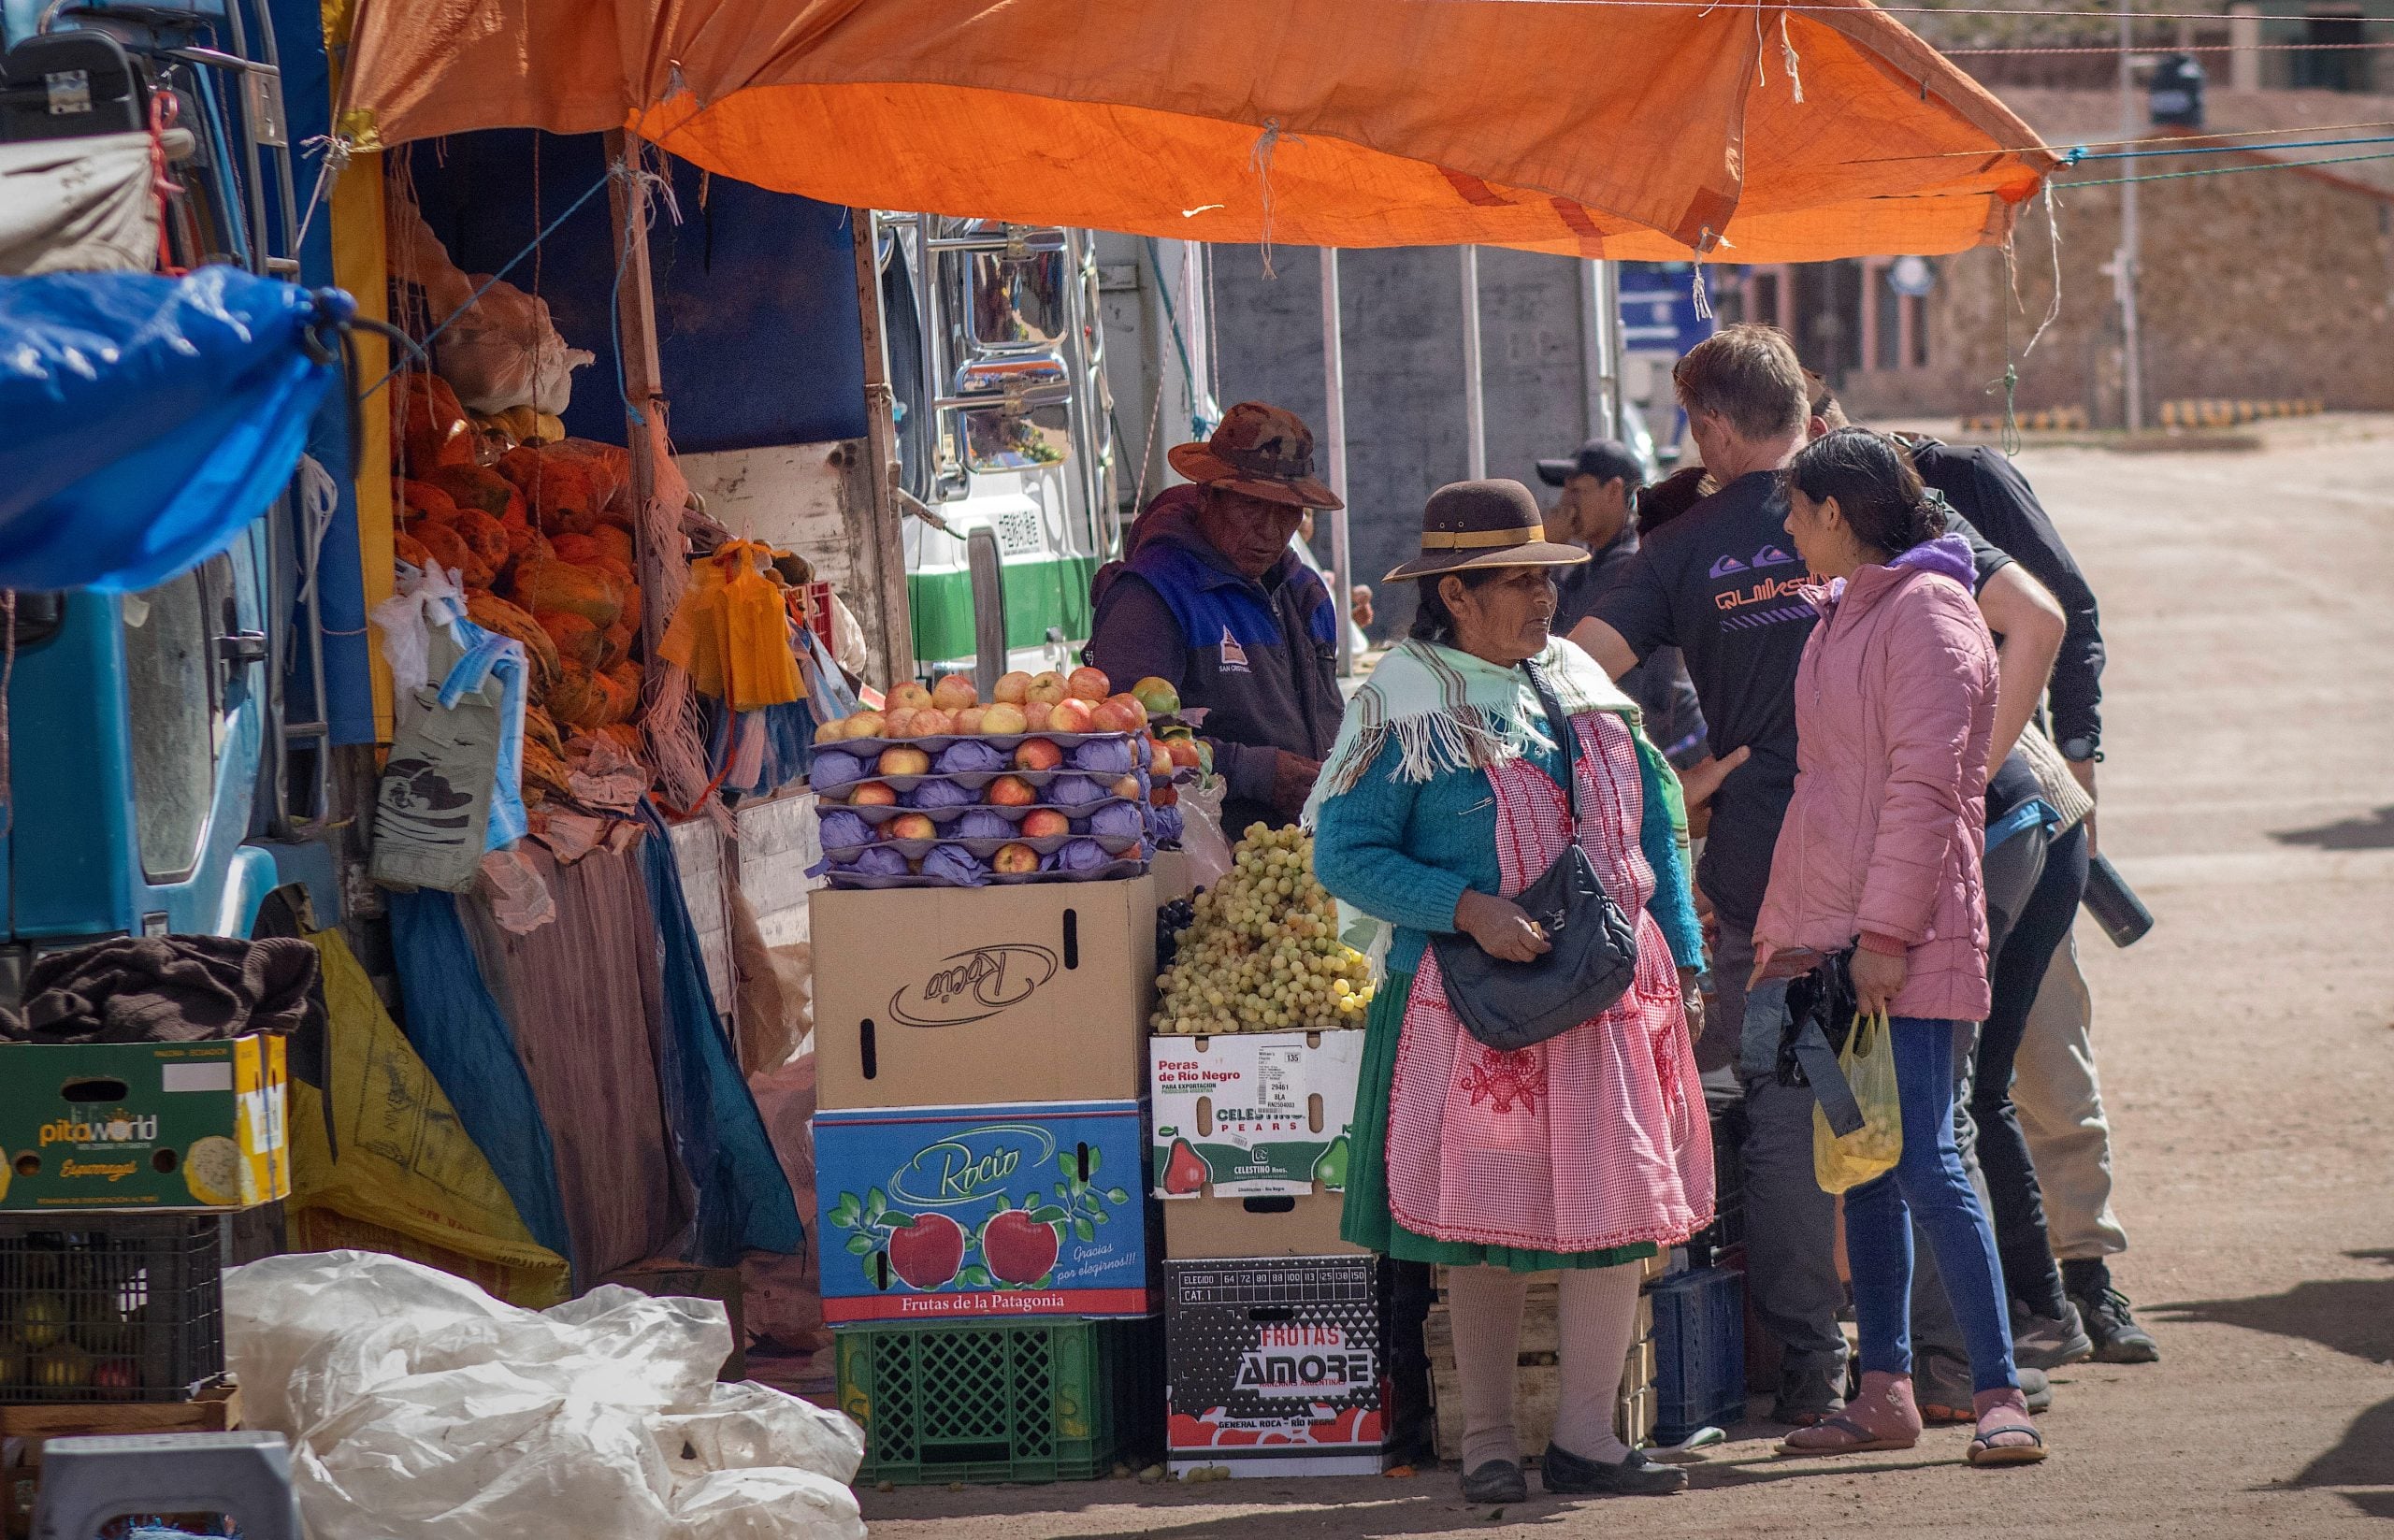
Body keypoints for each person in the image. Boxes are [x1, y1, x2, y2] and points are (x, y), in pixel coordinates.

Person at [1566, 324, 2068, 1425]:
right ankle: (1930, 1374)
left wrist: (1678, 786)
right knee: (1902, 1134)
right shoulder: (1873, 562)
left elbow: (1571, 676)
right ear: (1803, 405)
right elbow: (2038, 618)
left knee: (1821, 1130)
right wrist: (1971, 776)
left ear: (1706, 425)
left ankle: (1824, 1372)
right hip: (1872, 873)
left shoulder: (1699, 546)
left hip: (1801, 886)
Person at [1310, 479, 1712, 1503]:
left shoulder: (1577, 677)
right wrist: (1464, 906)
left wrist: (1685, 958)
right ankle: (1489, 1439)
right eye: (1520, 581)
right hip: (1473, 1006)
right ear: (1454, 595)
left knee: (1614, 1214)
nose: (1543, 599)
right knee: (1483, 1228)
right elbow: (1346, 854)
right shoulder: (1402, 701)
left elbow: (1651, 830)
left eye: (1547, 577)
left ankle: (1587, 1439)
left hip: (1611, 999)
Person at [1811, 384, 2158, 1365]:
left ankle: (2085, 1274)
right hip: (1916, 831)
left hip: (2013, 808)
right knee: (1956, 1087)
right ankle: (2009, 1303)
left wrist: (2067, 763)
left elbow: (2062, 614)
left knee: (2041, 1055)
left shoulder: (1953, 479)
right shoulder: (1781, 522)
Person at [1754, 426, 2043, 1467]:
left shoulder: (1925, 616)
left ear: (1836, 513)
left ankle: (1998, 1390)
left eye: (1794, 512)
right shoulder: (1845, 615)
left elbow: (1929, 794)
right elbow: (1827, 796)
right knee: (1863, 1165)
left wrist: (1879, 935)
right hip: (1842, 941)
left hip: (1904, 936)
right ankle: (1883, 1391)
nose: (1786, 531)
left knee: (1924, 1154)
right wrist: (1797, 939)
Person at [1086, 402, 1345, 833]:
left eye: (1286, 511)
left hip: (1307, 856)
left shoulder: (1306, 596)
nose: (1269, 530)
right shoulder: (1151, 596)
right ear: (1208, 495)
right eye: (1252, 506)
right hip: (1202, 860)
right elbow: (1123, 747)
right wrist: (1253, 771)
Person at [1536, 439, 1708, 769]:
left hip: (1677, 751)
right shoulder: (1595, 560)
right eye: (1565, 492)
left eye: (1577, 492)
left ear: (1614, 491)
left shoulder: (1630, 562)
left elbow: (1561, 644)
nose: (1564, 505)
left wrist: (1545, 556)